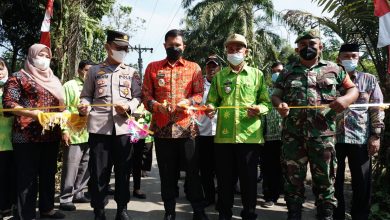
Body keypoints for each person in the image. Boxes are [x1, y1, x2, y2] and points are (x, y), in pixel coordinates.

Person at [271, 29, 359, 220]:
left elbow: (353, 90)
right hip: (293, 137)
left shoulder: (335, 69)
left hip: (323, 136)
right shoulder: (287, 71)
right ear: (297, 49)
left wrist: (345, 100)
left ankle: (325, 216)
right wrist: (280, 105)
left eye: (312, 44)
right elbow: (275, 95)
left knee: (325, 181)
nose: (307, 48)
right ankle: (294, 215)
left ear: (321, 47)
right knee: (293, 180)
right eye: (303, 45)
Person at [142, 29, 208, 220]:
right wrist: (155, 106)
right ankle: (169, 212)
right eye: (171, 45)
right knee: (167, 175)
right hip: (162, 131)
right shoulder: (153, 67)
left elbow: (198, 94)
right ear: (165, 46)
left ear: (183, 46)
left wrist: (189, 102)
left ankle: (199, 211)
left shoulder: (193, 68)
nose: (174, 48)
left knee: (193, 174)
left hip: (188, 130)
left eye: (178, 45)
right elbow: (146, 95)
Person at [206, 33, 271, 220]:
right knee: (225, 180)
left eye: (238, 48)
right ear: (226, 51)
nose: (234, 52)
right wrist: (210, 108)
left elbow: (266, 102)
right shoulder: (219, 77)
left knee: (249, 180)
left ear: (246, 52)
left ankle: (249, 213)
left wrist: (259, 108)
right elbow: (212, 101)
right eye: (230, 49)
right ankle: (224, 214)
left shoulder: (257, 75)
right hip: (224, 136)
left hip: (249, 135)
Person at [78, 30, 141, 220]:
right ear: (108, 47)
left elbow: (138, 97)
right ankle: (99, 210)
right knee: (99, 173)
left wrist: (128, 107)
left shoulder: (131, 72)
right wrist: (84, 105)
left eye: (125, 49)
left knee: (123, 171)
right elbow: (86, 95)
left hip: (123, 129)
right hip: (99, 129)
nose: (122, 51)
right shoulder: (95, 71)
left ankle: (122, 209)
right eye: (118, 47)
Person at [2, 44, 66, 219]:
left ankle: (47, 208)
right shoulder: (18, 77)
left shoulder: (54, 79)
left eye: (47, 55)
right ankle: (25, 214)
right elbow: (8, 104)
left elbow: (61, 106)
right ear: (31, 56)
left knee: (48, 174)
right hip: (26, 135)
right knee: (26, 177)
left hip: (51, 134)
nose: (44, 58)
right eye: (40, 55)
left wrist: (65, 115)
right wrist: (32, 113)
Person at [333, 44, 384, 220]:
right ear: (338, 58)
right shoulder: (330, 79)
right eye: (346, 56)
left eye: (354, 56)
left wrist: (375, 135)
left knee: (362, 181)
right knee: (334, 180)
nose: (350, 59)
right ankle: (335, 214)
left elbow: (376, 108)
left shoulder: (369, 80)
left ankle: (360, 215)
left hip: (360, 138)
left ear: (359, 58)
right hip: (333, 138)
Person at [59, 60, 94, 211]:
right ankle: (65, 198)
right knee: (71, 167)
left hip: (91, 132)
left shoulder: (95, 86)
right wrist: (64, 130)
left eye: (91, 71)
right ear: (79, 70)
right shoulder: (69, 85)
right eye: (86, 70)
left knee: (86, 166)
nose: (88, 74)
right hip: (74, 132)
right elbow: (63, 110)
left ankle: (78, 193)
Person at [197, 55, 220, 207]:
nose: (212, 69)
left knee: (222, 170)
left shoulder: (224, 84)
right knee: (205, 170)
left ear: (219, 68)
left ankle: (222, 200)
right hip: (203, 133)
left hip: (221, 134)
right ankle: (209, 197)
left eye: (214, 66)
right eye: (209, 66)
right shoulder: (199, 85)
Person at [260, 61, 284, 208]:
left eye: (280, 71)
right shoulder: (266, 91)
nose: (277, 74)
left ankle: (289, 195)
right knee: (269, 167)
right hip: (268, 136)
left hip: (287, 137)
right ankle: (270, 196)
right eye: (275, 71)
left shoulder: (290, 91)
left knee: (288, 168)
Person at [0, 57, 15, 219]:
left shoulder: (13, 89)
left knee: (9, 178)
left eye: (1, 68)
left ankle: (7, 208)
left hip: (13, 141)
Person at [131, 104, 151, 200]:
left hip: (139, 133)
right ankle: (122, 188)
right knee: (123, 162)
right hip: (123, 131)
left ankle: (137, 188)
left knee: (137, 161)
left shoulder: (142, 98)